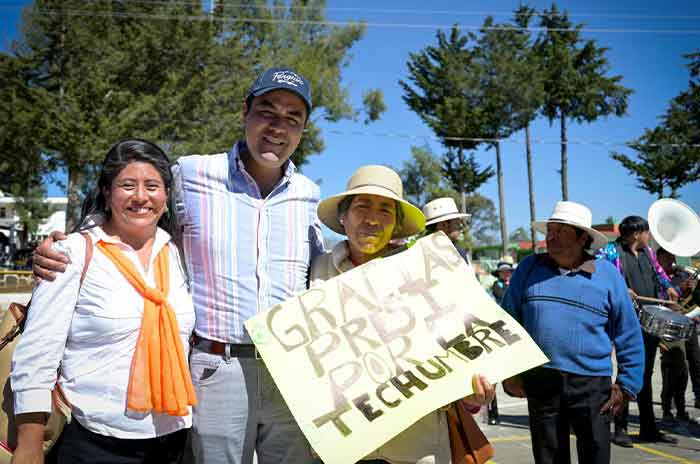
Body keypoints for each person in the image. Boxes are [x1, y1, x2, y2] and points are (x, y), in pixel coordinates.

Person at [32, 68, 325, 464]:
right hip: (216, 368)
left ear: (303, 130)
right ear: (245, 112)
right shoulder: (191, 173)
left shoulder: (310, 195)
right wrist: (69, 243)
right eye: (268, 111)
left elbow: (324, 269)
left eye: (293, 118)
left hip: (289, 369)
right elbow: (135, 199)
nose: (278, 127)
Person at [12, 139, 196, 464]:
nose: (141, 197)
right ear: (107, 193)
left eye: (152, 186)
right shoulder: (73, 253)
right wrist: (29, 445)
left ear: (166, 196)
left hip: (173, 443)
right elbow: (37, 353)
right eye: (127, 185)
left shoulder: (180, 256)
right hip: (94, 442)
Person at [311, 165, 496, 464]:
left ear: (397, 224)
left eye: (385, 210)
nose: (372, 219)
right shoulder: (317, 270)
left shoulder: (429, 272)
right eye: (362, 206)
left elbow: (464, 344)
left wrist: (473, 394)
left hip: (416, 446)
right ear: (343, 216)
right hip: (346, 447)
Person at [501, 201, 644, 464]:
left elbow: (629, 333)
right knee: (549, 458)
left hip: (592, 385)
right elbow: (507, 320)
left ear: (582, 238)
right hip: (541, 380)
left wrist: (627, 386)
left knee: (595, 455)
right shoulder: (529, 268)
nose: (551, 237)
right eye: (550, 230)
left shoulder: (608, 275)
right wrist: (509, 372)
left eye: (561, 231)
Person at [597, 216, 679, 446]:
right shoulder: (611, 252)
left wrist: (669, 287)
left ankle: (648, 427)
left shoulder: (649, 253)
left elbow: (660, 273)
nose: (649, 236)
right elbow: (596, 269)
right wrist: (622, 288)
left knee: (644, 375)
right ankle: (620, 429)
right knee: (627, 374)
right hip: (624, 321)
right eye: (646, 232)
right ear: (635, 234)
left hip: (648, 320)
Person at [656, 248, 700, 419]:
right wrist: (678, 289)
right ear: (659, 259)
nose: (671, 259)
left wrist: (691, 291)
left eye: (672, 256)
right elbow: (663, 304)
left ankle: (681, 408)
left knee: (686, 369)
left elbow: (690, 302)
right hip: (669, 330)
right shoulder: (658, 278)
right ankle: (667, 408)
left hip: (687, 327)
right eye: (666, 257)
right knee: (671, 369)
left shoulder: (682, 275)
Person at [486, 260, 514, 426]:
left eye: (508, 271)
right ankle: (492, 412)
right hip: (499, 327)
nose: (506, 274)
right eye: (503, 272)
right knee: (493, 375)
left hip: (512, 328)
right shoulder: (497, 286)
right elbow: (502, 298)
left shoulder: (514, 283)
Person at [422, 197, 471, 264]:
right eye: (457, 223)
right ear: (444, 225)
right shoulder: (458, 253)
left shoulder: (418, 252)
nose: (461, 226)